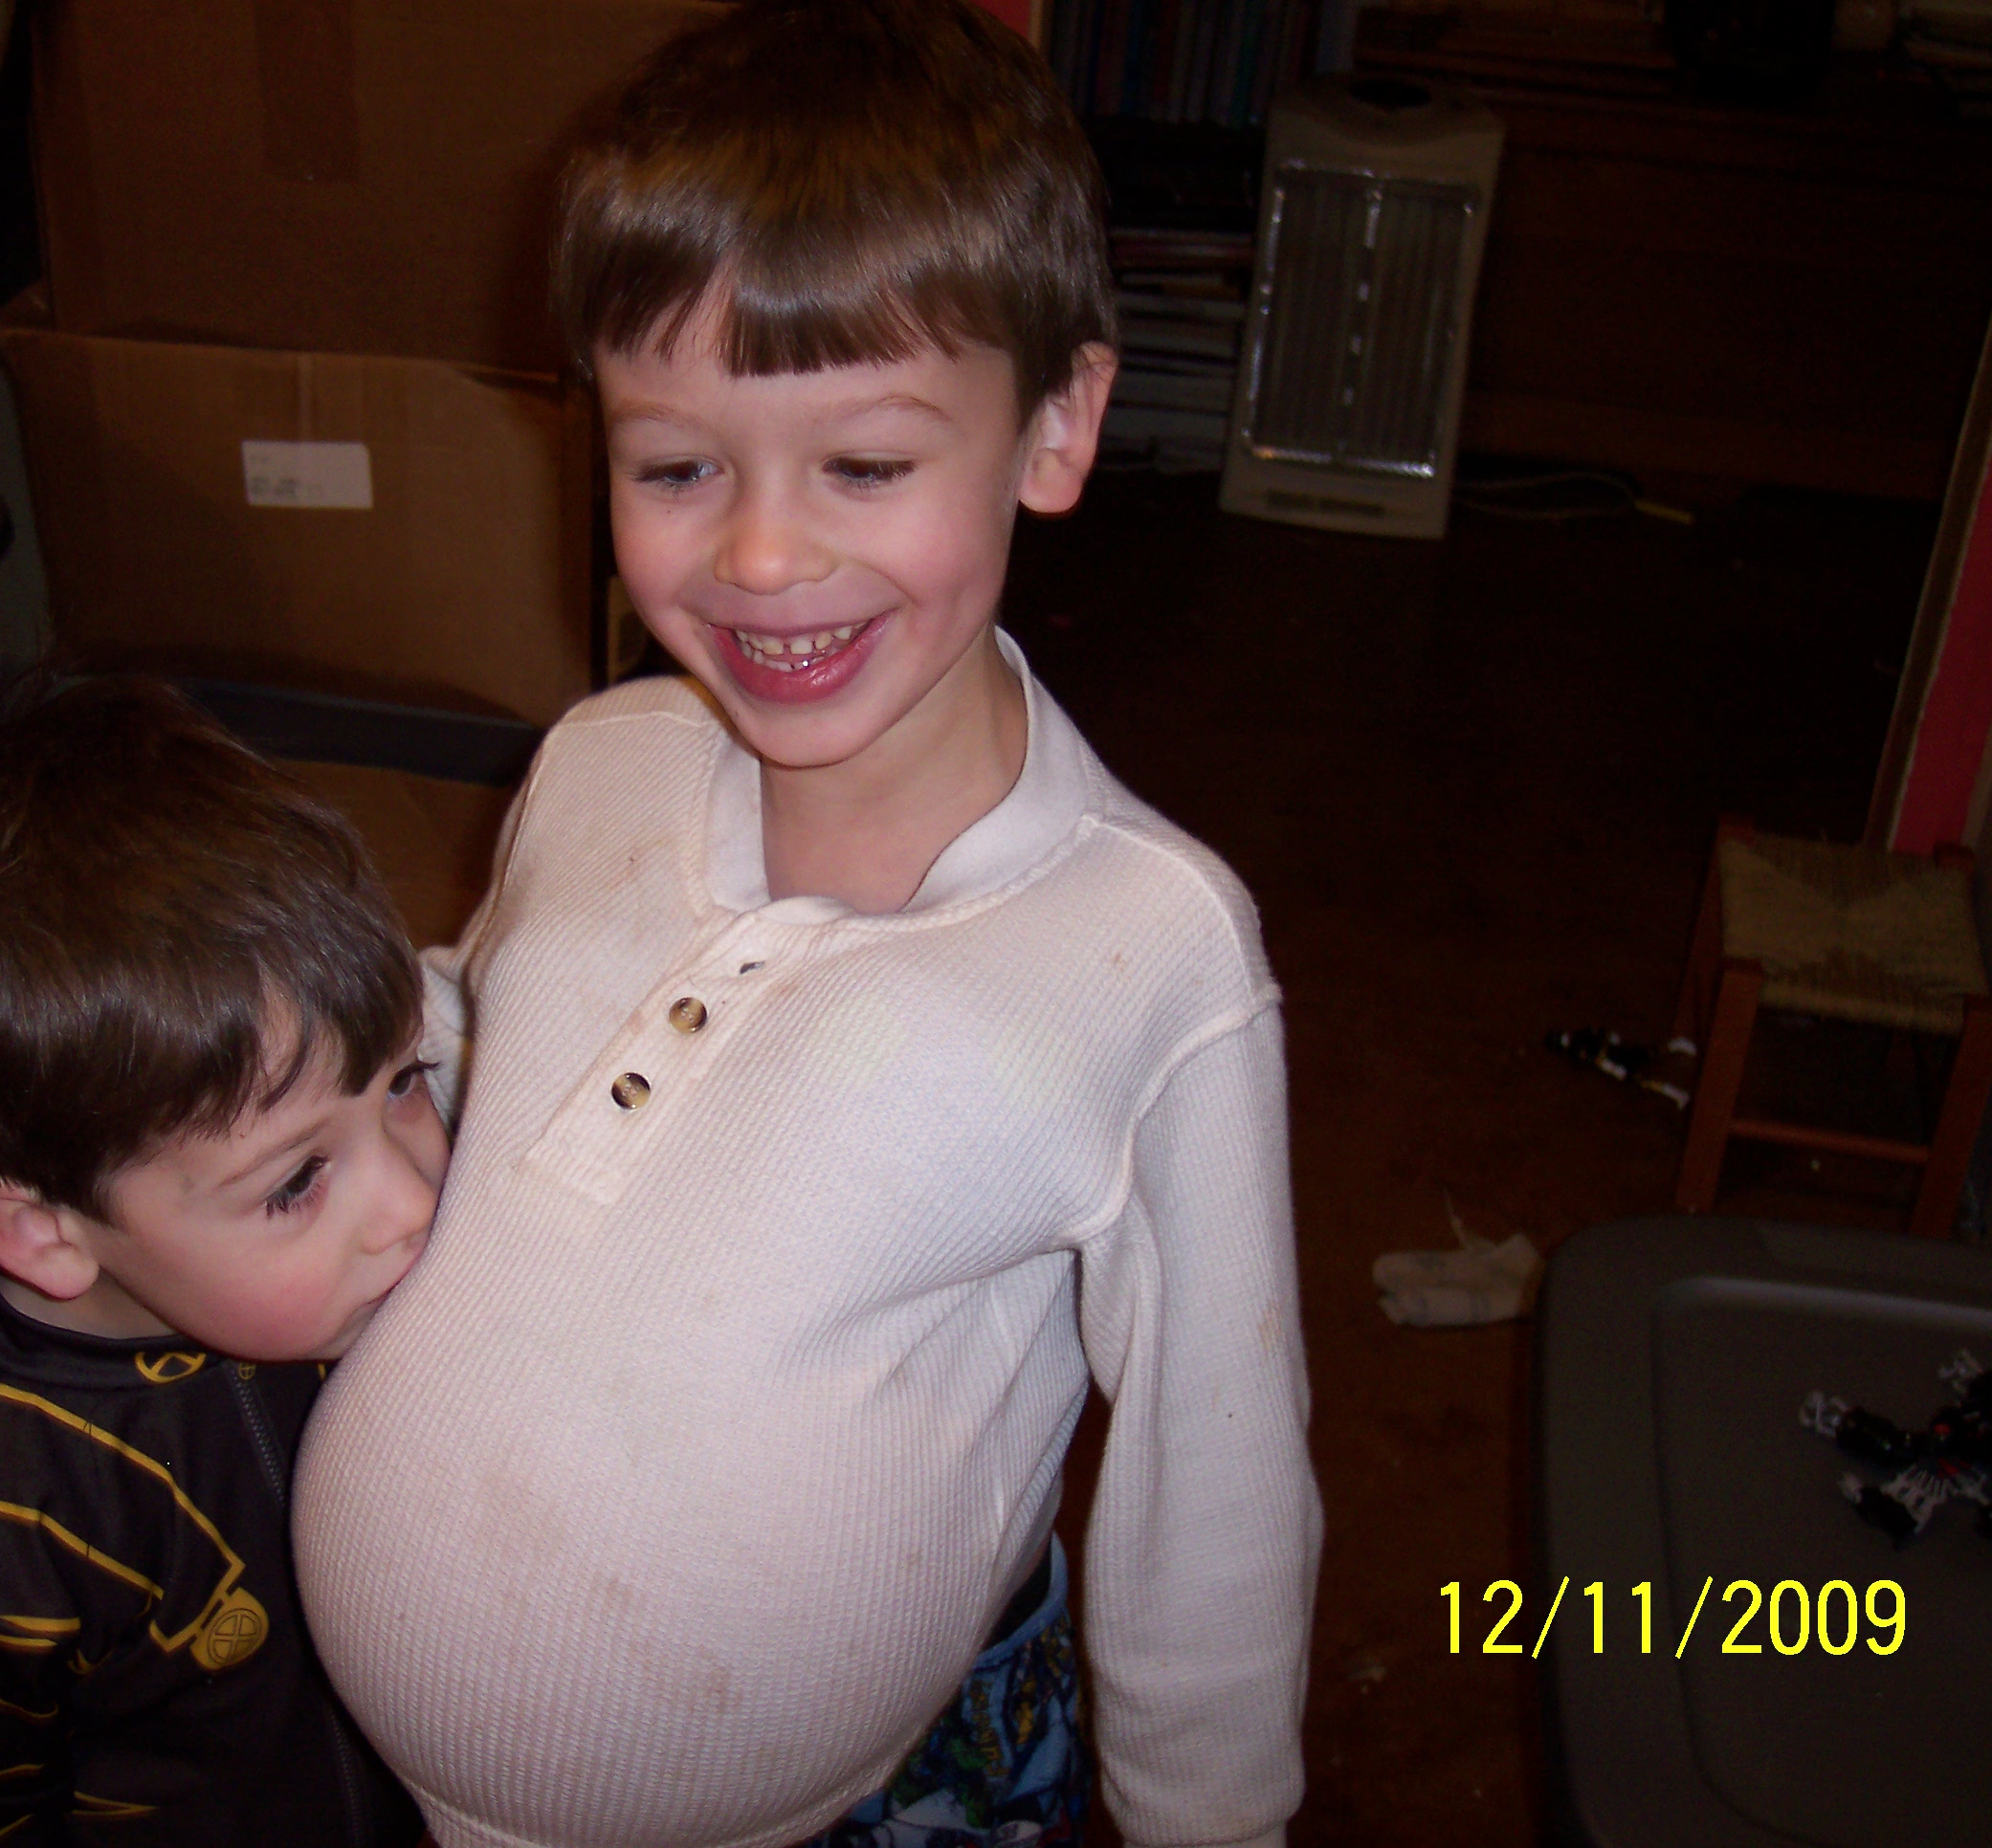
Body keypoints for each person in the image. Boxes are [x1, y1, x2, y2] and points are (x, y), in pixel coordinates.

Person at [295, 2, 1322, 1844]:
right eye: (676, 467)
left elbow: (1216, 1485)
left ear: (1058, 425)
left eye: (863, 466)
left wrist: (1214, 1824)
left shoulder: (1150, 960)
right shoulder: (598, 760)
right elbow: (492, 1024)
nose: (762, 559)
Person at [0, 677, 444, 1847]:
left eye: (405, 1082)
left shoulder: (342, 1276)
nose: (414, 1200)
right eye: (295, 1180)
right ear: (45, 1233)